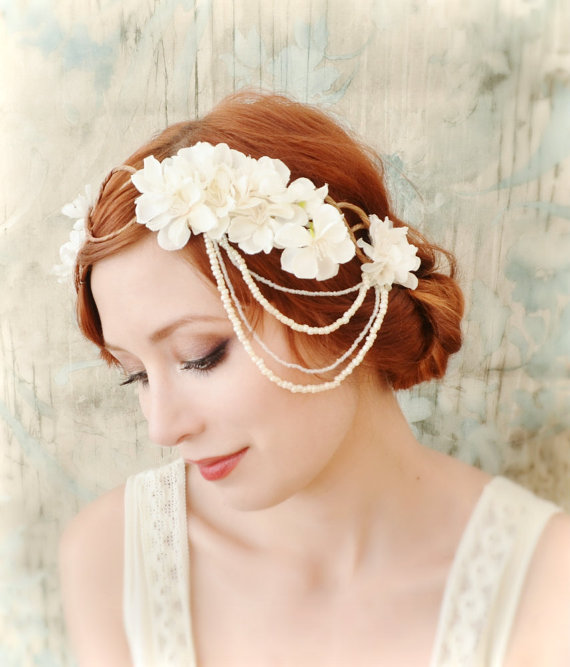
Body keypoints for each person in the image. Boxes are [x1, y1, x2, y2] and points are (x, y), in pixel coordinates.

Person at [58, 92, 570, 667]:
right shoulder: (111, 560)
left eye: (201, 355)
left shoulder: (546, 585)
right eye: (136, 378)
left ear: (330, 302)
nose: (163, 427)